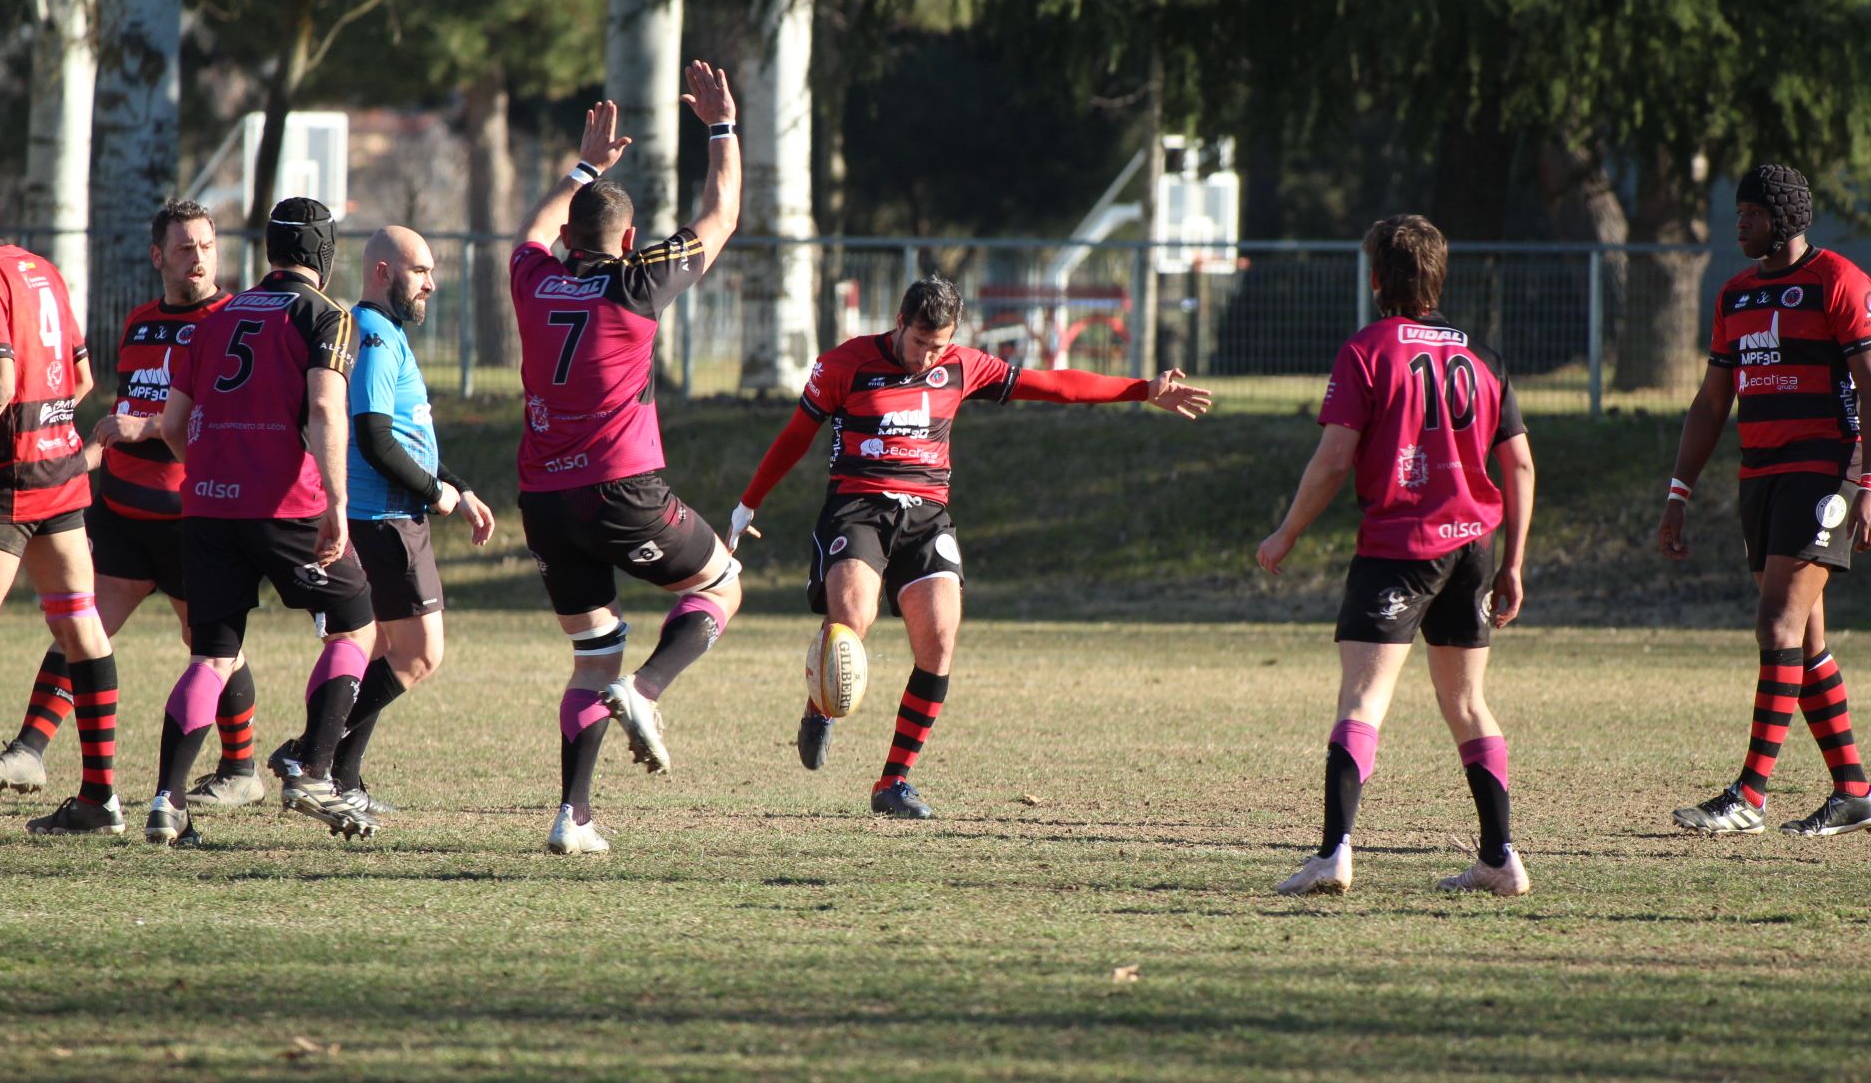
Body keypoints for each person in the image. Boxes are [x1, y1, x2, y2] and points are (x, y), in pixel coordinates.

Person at [729, 276, 1211, 820]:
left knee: (938, 639)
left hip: (927, 516)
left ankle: (893, 782)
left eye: (938, 345)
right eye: (919, 342)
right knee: (851, 620)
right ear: (900, 322)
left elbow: (1052, 384)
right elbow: (796, 434)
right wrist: (748, 504)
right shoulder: (845, 364)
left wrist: (1142, 389)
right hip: (857, 507)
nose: (927, 356)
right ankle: (822, 706)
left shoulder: (962, 366)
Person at [1258, 214, 1535, 897]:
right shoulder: (1484, 357)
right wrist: (1513, 563)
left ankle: (1333, 855)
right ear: (1439, 277)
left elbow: (1331, 462)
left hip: (1399, 548)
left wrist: (1286, 533)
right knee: (1468, 704)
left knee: (1362, 698)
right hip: (1473, 545)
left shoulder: (1367, 351)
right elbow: (1520, 466)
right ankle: (1500, 859)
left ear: (1377, 279)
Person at [509, 62, 743, 855]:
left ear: (569, 238)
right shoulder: (639, 283)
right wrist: (720, 127)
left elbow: (529, 235)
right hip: (620, 489)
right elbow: (722, 212)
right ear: (631, 239)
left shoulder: (533, 280)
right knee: (724, 585)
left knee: (591, 650)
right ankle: (644, 691)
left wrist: (584, 168)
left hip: (543, 498)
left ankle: (572, 817)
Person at [0, 200, 264, 807]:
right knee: (78, 627)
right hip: (125, 516)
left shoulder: (231, 320)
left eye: (206, 246)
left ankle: (242, 769)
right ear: (157, 255)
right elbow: (122, 416)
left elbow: (219, 422)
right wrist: (76, 462)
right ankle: (30, 750)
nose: (198, 259)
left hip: (193, 517)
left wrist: (147, 428)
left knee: (213, 646)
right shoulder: (140, 323)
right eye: (185, 247)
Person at [145, 197, 379, 847]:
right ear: (325, 256)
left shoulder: (216, 318)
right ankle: (313, 770)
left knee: (212, 656)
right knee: (355, 628)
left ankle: (166, 801)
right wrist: (336, 501)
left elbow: (170, 426)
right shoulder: (325, 315)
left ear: (270, 250)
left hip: (207, 506)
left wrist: (219, 470)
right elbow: (327, 410)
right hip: (287, 506)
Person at [1663, 164, 1871, 837]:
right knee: (1803, 641)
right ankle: (1854, 792)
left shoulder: (1839, 282)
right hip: (1762, 475)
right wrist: (1679, 491)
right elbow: (1711, 402)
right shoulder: (1735, 296)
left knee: (1777, 626)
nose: (1740, 226)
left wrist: (1868, 484)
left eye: (1749, 215)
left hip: (1826, 475)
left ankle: (1749, 794)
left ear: (1781, 219)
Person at [264, 226, 494, 813]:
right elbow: (371, 437)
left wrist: (460, 488)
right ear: (384, 272)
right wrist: (436, 492)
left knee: (382, 649)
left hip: (388, 514)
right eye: (421, 271)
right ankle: (307, 753)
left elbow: (409, 434)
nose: (432, 284)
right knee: (419, 655)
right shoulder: (370, 332)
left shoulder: (385, 331)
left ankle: (342, 776)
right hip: (384, 517)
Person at [0, 162, 120, 839]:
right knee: (78, 619)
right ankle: (101, 798)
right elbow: (80, 379)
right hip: (61, 465)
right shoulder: (39, 267)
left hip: (4, 475)